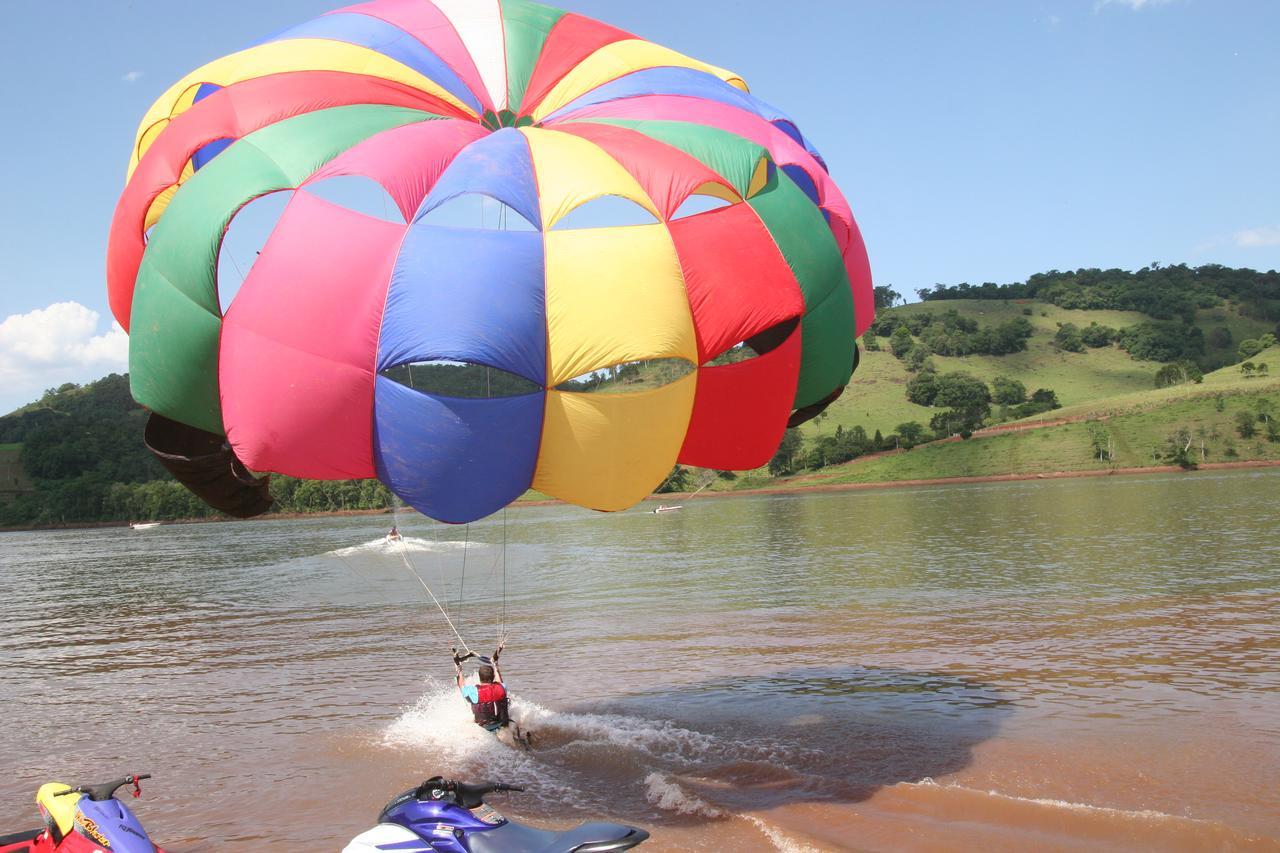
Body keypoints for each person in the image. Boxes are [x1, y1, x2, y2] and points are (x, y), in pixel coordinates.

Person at [454, 643, 531, 748]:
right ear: (493, 677)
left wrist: (459, 668)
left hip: (484, 728)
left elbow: (461, 684)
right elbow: (499, 680)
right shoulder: (502, 687)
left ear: (479, 678)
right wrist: (495, 665)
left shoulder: (473, 692)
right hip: (503, 724)